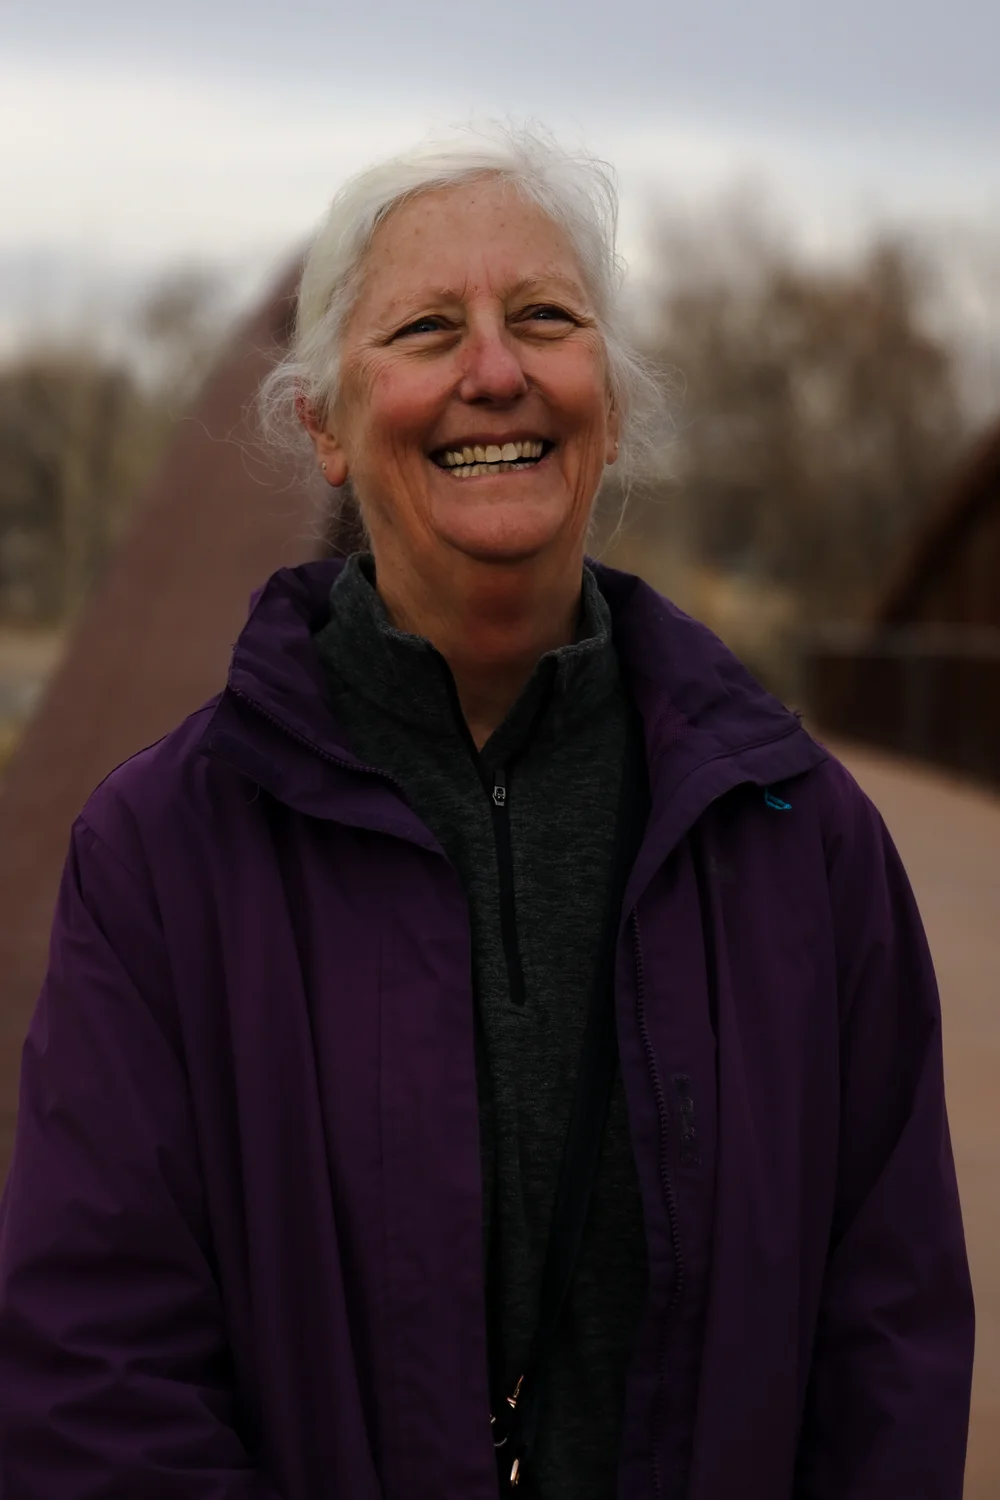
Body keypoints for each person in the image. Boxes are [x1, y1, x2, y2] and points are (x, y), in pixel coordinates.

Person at [0, 128, 974, 1500]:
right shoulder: (165, 854)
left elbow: (892, 1345)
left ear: (611, 403)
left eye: (544, 317)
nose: (496, 371)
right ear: (325, 426)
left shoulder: (800, 839)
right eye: (424, 328)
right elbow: (97, 1361)